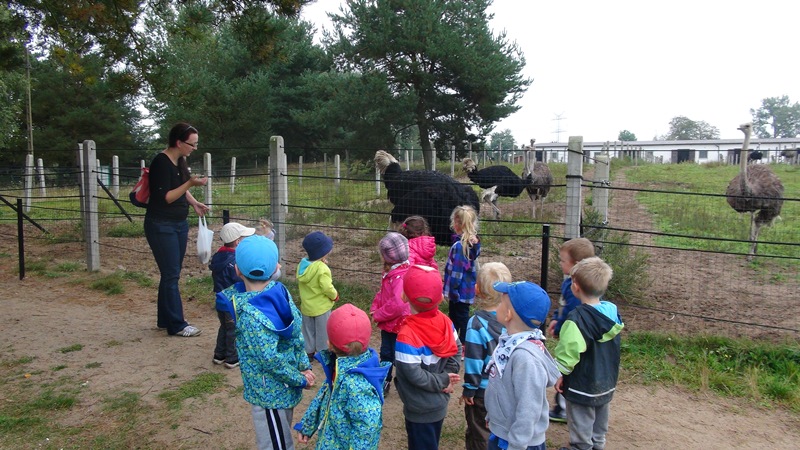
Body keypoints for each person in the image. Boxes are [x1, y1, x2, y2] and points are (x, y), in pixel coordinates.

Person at [217, 235, 315, 450]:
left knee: (276, 444)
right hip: (282, 386)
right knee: (280, 434)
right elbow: (295, 335)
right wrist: (301, 369)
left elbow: (269, 360)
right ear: (275, 269)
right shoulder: (280, 292)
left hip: (269, 394)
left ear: (237, 271)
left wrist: (300, 374)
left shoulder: (248, 314)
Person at [294, 303, 390, 450]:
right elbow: (325, 397)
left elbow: (366, 429)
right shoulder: (338, 368)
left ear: (330, 344)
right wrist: (308, 425)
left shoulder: (357, 384)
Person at [144, 122, 209, 337]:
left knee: (170, 273)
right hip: (162, 225)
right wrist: (190, 184)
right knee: (171, 274)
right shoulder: (161, 163)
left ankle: (165, 319)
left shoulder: (179, 161)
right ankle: (177, 324)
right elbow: (167, 196)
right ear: (179, 142)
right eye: (192, 144)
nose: (194, 148)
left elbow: (179, 188)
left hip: (178, 224)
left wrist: (193, 202)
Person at [554, 257, 623, 450]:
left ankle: (580, 446)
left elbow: (568, 353)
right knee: (600, 419)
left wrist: (560, 373)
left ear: (575, 286)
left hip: (581, 384)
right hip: (606, 381)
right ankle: (597, 445)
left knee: (581, 422)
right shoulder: (612, 312)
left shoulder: (575, 320)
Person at [485, 281, 561, 450]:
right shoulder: (508, 343)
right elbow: (499, 385)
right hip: (503, 431)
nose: (497, 306)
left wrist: (517, 444)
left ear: (508, 315)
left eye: (500, 303)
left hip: (519, 442)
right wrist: (494, 417)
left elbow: (529, 408)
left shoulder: (525, 359)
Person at [395, 265, 461, 450]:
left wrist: (443, 380)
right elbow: (457, 349)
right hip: (439, 402)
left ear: (404, 296)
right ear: (440, 298)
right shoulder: (446, 322)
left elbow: (413, 375)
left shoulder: (406, 336)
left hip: (418, 407)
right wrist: (448, 377)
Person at [460, 262, 512, 450]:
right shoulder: (513, 318)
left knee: (480, 431)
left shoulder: (476, 323)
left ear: (477, 290)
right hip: (507, 388)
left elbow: (473, 361)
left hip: (483, 392)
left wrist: (469, 388)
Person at [547, 237, 596, 422]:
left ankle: (563, 408)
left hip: (575, 336)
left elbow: (572, 314)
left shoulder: (577, 288)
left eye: (562, 260)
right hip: (576, 334)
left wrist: (559, 327)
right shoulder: (571, 284)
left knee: (567, 369)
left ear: (576, 264)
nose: (560, 263)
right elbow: (563, 308)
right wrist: (555, 319)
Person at [209, 222, 256, 369]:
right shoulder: (234, 261)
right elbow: (238, 280)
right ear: (238, 242)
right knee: (234, 330)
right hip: (233, 302)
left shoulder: (218, 257)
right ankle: (232, 358)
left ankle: (219, 354)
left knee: (224, 327)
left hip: (221, 300)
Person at [370, 232, 411, 396]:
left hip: (398, 323)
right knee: (387, 352)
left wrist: (379, 314)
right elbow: (382, 293)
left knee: (396, 354)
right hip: (391, 323)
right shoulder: (393, 271)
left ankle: (403, 382)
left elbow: (398, 304)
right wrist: (375, 306)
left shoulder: (399, 276)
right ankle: (385, 380)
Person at [297, 231, 339, 360]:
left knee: (307, 330)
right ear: (322, 252)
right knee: (323, 331)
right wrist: (334, 295)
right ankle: (323, 352)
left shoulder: (302, 265)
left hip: (307, 306)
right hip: (321, 307)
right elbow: (327, 287)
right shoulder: (322, 268)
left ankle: (308, 351)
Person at [443, 205, 481, 346]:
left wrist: (453, 291)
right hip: (467, 289)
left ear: (459, 224)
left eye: (454, 221)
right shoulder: (471, 244)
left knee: (458, 317)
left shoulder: (460, 246)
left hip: (458, 291)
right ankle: (458, 342)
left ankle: (461, 343)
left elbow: (457, 272)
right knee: (461, 316)